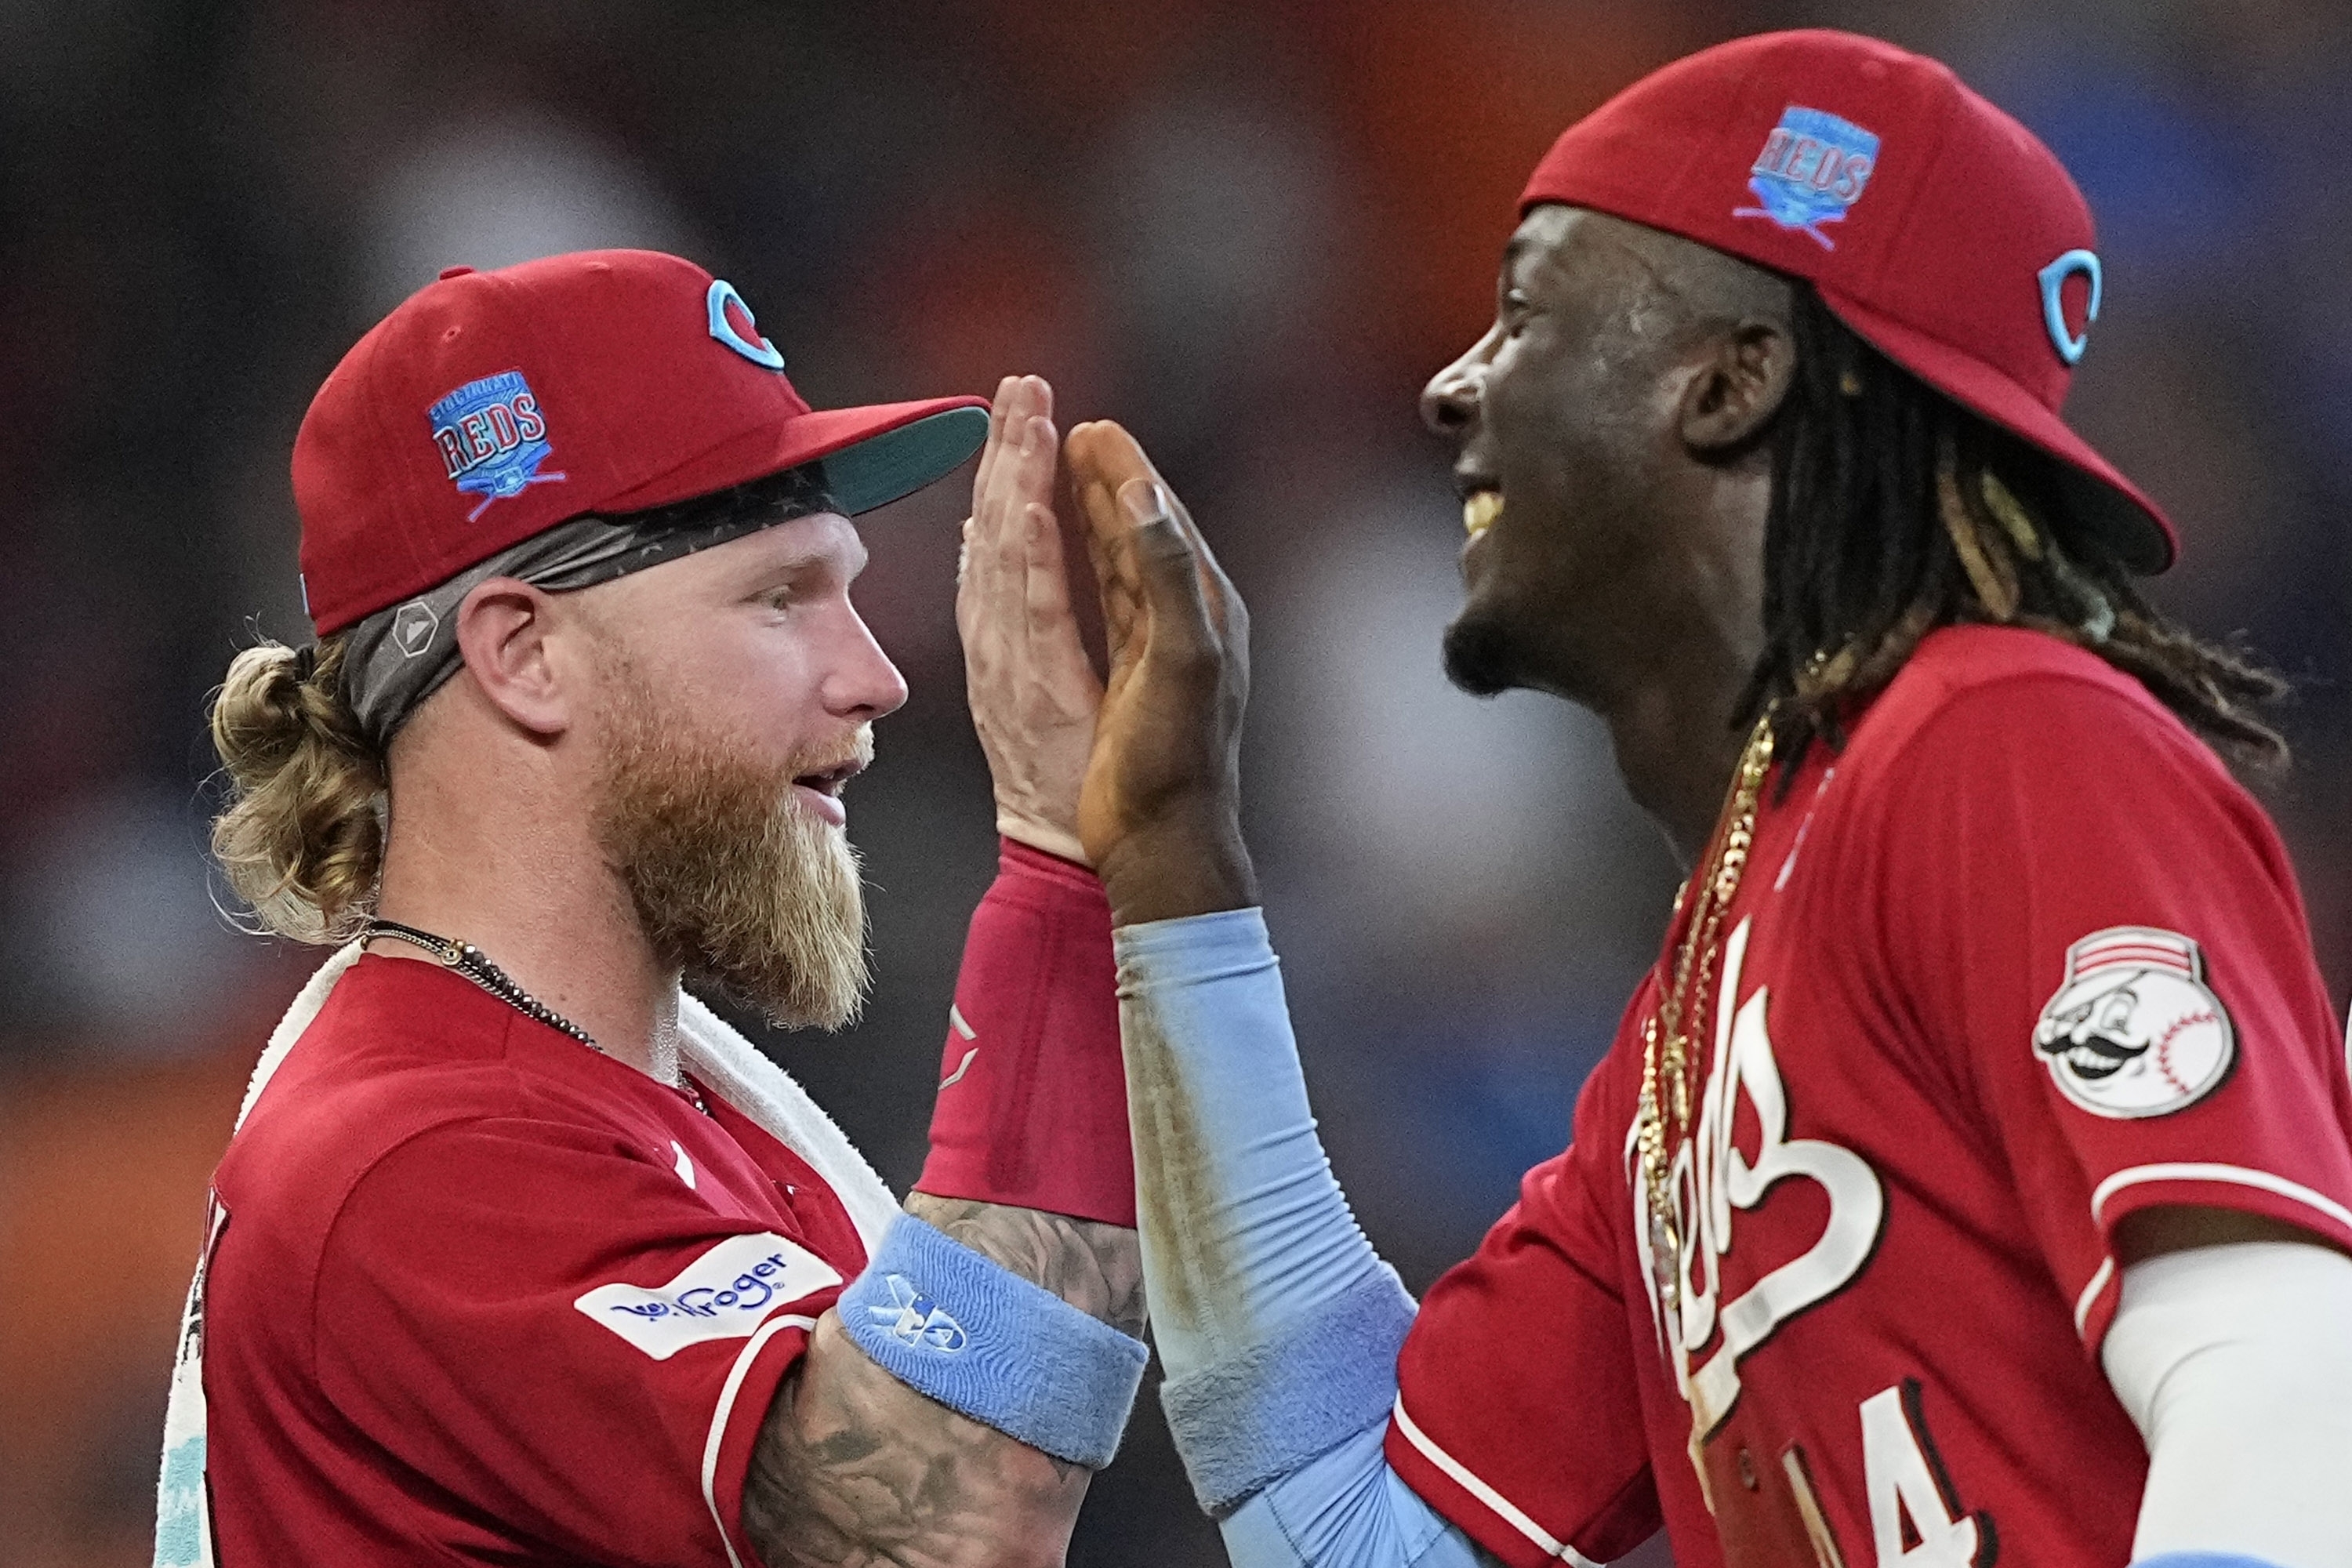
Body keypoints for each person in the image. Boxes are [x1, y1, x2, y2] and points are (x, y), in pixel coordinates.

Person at [1014, 29, 2352, 1568]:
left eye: (1528, 315)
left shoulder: (2005, 743)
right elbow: (1352, 1529)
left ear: (1730, 380)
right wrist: (1174, 858)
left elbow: (2280, 1361)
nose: (1455, 386)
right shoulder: (1686, 1029)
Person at [156, 250, 1147, 1568]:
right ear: (524, 655)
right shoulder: (411, 1160)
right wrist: (1067, 885)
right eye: (779, 597)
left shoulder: (653, 1105)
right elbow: (945, 1524)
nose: (878, 678)